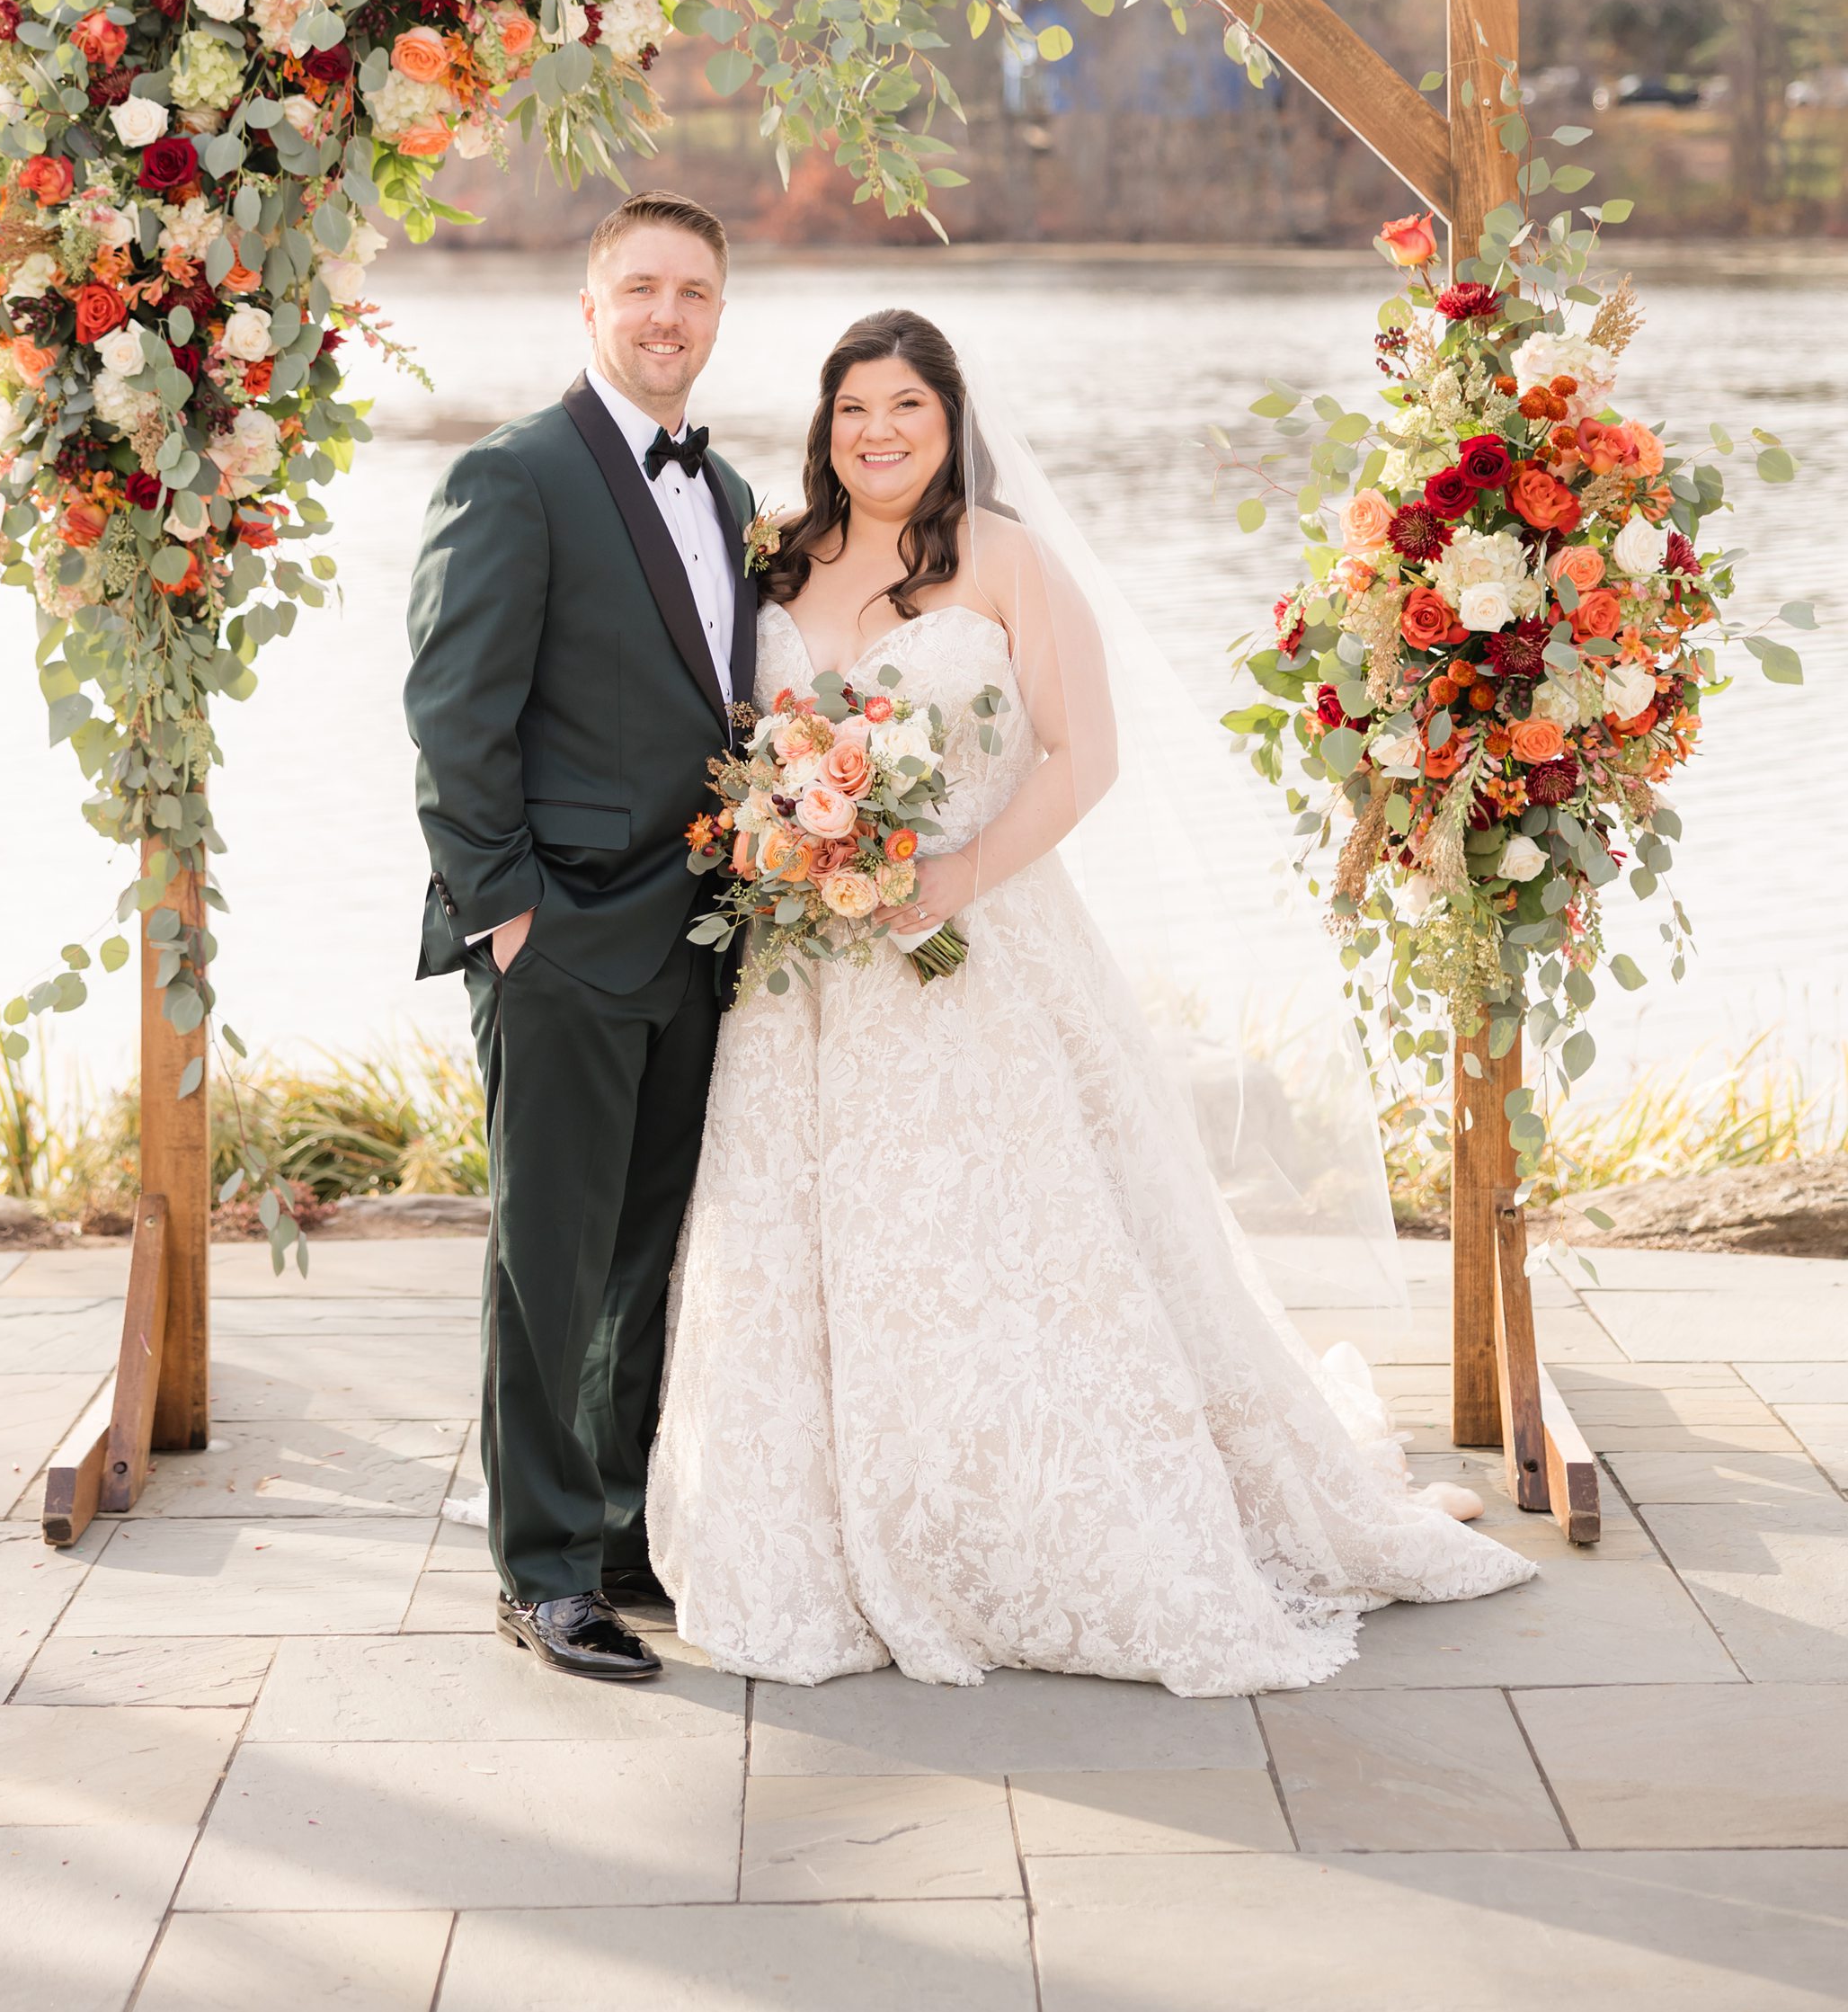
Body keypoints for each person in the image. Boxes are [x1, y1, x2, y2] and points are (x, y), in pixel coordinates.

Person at [647, 307, 1534, 1696]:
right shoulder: (782, 554)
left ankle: (1035, 1519)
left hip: (973, 947)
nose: (877, 435)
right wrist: (789, 835)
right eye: (853, 410)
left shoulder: (1004, 557)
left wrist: (953, 877)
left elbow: (1082, 756)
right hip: (801, 972)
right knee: (807, 1240)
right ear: (825, 427)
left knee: (995, 1237)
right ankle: (814, 1522)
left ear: (952, 426)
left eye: (907, 411)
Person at [404, 193, 755, 1683]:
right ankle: (538, 1570)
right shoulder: (516, 475)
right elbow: (451, 712)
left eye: (691, 292)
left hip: (696, 938)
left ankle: (614, 1531)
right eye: (639, 290)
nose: (665, 315)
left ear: (719, 315)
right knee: (548, 1260)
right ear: (593, 310)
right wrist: (505, 917)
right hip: (557, 937)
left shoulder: (733, 491)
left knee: (644, 1254)